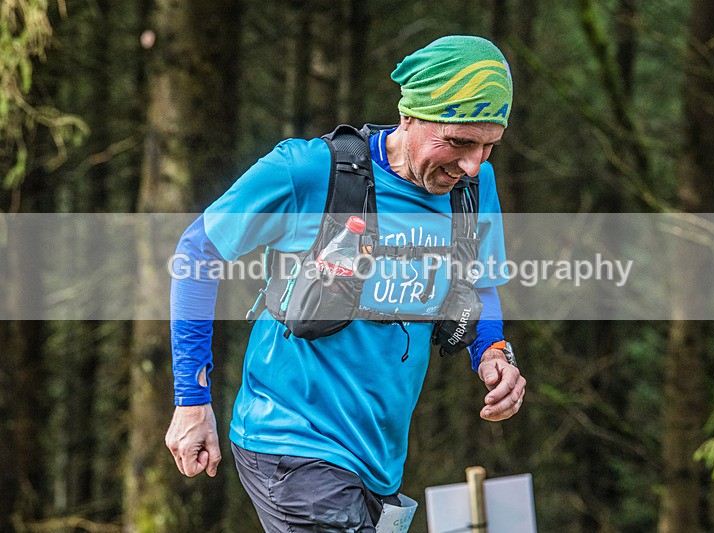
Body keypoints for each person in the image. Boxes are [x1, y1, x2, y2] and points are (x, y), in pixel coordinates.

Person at [165, 35, 527, 532]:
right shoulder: (310, 171)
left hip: (378, 462)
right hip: (292, 441)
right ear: (410, 117)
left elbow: (480, 284)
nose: (473, 164)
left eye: (489, 146)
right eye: (460, 142)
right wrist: (191, 399)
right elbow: (197, 251)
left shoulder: (473, 187)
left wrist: (493, 352)